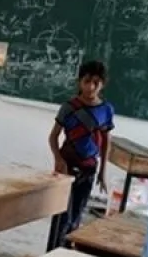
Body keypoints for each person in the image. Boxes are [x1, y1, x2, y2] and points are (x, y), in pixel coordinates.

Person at [48, 60, 114, 242]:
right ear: (79, 82)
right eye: (87, 81)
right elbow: (53, 137)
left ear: (102, 84)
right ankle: (53, 251)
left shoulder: (106, 110)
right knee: (61, 216)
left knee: (76, 218)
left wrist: (102, 172)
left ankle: (66, 252)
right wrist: (59, 159)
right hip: (67, 167)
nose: (91, 87)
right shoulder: (69, 107)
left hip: (89, 168)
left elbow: (106, 141)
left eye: (96, 83)